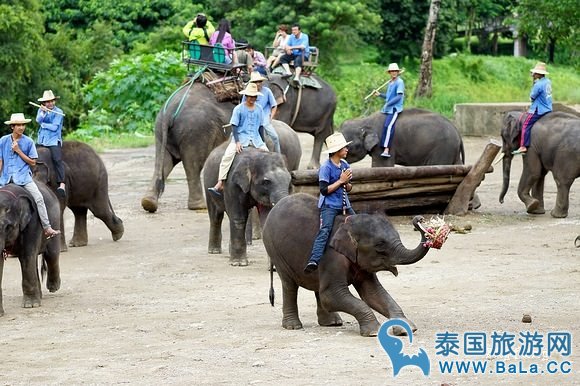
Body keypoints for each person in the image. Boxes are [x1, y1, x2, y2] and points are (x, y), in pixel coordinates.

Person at [0, 113, 60, 239]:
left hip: (23, 178)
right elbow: (1, 161)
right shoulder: (3, 141)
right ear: (12, 127)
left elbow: (33, 162)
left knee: (39, 198)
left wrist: (18, 151)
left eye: (23, 125)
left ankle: (47, 227)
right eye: (18, 125)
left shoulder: (28, 142)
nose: (21, 127)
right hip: (5, 178)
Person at [304, 132, 354, 273]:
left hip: (345, 204)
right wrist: (341, 181)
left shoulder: (345, 164)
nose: (347, 150)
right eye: (344, 148)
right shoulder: (325, 168)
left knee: (357, 224)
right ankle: (314, 259)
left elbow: (349, 188)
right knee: (325, 230)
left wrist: (347, 183)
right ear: (337, 151)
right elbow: (324, 190)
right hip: (330, 205)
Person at [208, 83, 268, 196]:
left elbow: (260, 127)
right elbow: (234, 126)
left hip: (256, 139)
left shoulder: (259, 109)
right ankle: (220, 182)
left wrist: (263, 143)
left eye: (254, 97)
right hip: (241, 137)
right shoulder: (239, 109)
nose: (252, 99)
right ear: (246, 96)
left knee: (269, 156)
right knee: (227, 156)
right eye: (250, 96)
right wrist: (237, 142)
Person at [512, 62, 553, 155]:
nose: (533, 74)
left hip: (539, 109)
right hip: (548, 108)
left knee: (526, 124)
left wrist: (534, 84)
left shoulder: (538, 85)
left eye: (535, 73)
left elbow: (532, 97)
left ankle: (523, 146)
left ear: (539, 74)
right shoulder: (547, 81)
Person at [36, 90, 66, 198]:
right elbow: (38, 120)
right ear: (44, 103)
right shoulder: (41, 110)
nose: (50, 104)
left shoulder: (59, 112)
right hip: (42, 139)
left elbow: (54, 127)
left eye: (52, 101)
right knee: (33, 157)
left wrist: (44, 125)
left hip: (53, 140)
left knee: (57, 160)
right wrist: (43, 113)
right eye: (48, 102)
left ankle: (62, 184)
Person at [243, 72, 280, 153]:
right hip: (251, 116)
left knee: (275, 137)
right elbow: (243, 106)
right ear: (252, 83)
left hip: (264, 116)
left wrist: (270, 117)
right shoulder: (247, 93)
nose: (258, 84)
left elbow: (274, 105)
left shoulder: (267, 91)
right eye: (255, 82)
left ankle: (278, 153)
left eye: (259, 81)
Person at [374, 63, 405, 158]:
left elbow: (399, 96)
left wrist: (389, 103)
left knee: (388, 126)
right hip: (387, 108)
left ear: (398, 72)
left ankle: (386, 149)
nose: (394, 73)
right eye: (392, 71)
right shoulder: (390, 83)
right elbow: (388, 97)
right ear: (389, 73)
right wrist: (379, 95)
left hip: (394, 108)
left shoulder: (400, 82)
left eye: (395, 71)